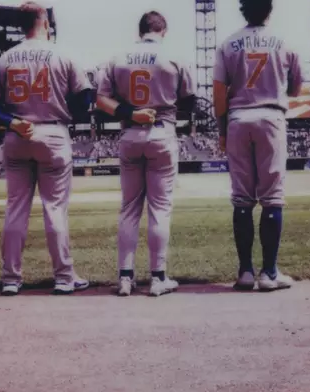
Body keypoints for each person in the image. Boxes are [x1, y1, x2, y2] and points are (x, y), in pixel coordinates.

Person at [0, 1, 93, 296]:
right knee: (54, 209)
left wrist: (12, 121)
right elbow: (85, 97)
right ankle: (64, 277)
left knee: (15, 209)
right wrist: (65, 109)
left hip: (17, 134)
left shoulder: (6, 57)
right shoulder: (63, 53)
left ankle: (10, 279)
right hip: (53, 132)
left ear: (21, 26)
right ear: (45, 22)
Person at [96, 11, 196, 297]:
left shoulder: (117, 57)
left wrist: (132, 112)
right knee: (160, 208)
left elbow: (101, 99)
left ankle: (125, 278)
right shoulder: (174, 55)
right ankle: (158, 278)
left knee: (129, 208)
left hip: (129, 132)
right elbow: (190, 101)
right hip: (163, 131)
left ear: (140, 31)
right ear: (162, 30)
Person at [213, 0, 303, 292]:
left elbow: (218, 96)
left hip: (238, 119)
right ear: (269, 10)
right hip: (271, 117)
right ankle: (269, 274)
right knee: (272, 197)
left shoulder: (227, 45)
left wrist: (222, 131)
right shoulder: (286, 42)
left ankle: (245, 273)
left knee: (241, 198)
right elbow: (296, 89)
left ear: (243, 10)